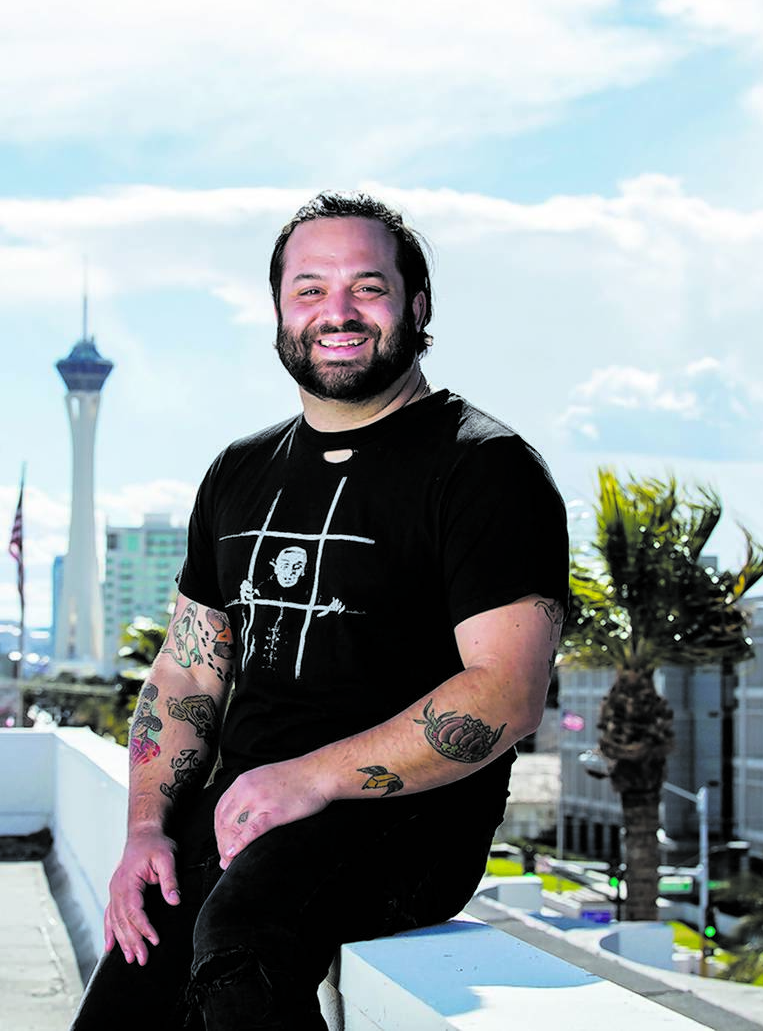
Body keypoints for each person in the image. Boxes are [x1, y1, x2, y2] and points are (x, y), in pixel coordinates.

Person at [71, 192, 569, 1031]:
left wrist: (308, 778)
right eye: (308, 289)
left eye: (366, 287)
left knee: (241, 947)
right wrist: (148, 829)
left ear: (416, 307)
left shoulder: (486, 469)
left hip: (399, 824)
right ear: (277, 311)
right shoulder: (238, 469)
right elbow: (189, 668)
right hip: (239, 812)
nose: (335, 313)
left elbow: (505, 694)